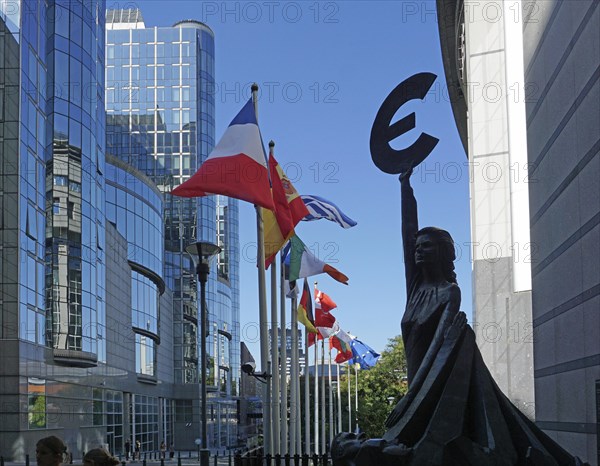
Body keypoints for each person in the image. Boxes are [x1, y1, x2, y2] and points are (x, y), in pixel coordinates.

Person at [332, 167, 589, 465]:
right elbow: (407, 231)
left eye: (426, 246)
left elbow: (442, 347)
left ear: (441, 252)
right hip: (418, 383)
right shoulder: (415, 287)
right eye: (417, 247)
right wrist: (406, 188)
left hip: (437, 383)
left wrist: (411, 396)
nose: (418, 251)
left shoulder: (449, 292)